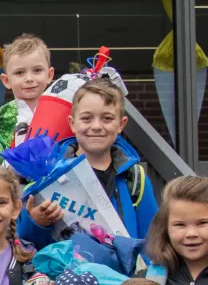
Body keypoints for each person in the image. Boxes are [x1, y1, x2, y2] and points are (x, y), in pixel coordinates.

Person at [18, 78, 159, 248]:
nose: (96, 126)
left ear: (121, 125)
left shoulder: (135, 178)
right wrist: (36, 223)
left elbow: (152, 242)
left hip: (122, 274)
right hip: (63, 273)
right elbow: (24, 243)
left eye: (107, 118)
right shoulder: (47, 172)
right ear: (72, 123)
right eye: (86, 118)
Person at [0, 34, 54, 147]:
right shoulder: (0, 123)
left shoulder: (60, 116)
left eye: (37, 70)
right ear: (6, 80)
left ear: (49, 75)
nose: (29, 79)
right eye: (20, 72)